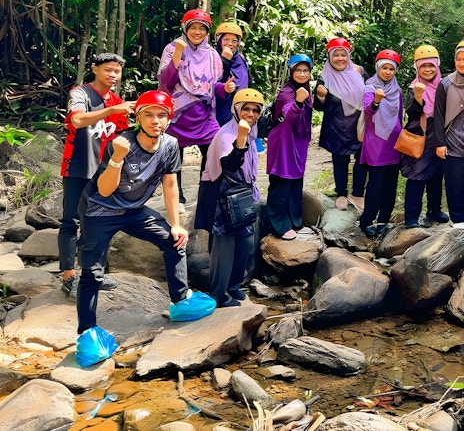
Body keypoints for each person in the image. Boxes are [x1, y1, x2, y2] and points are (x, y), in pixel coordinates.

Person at [76, 90, 212, 335]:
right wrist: (118, 157)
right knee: (92, 273)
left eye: (162, 115)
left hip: (133, 210)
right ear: (138, 117)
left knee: (174, 241)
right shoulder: (121, 143)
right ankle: (88, 331)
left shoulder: (170, 144)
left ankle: (180, 300)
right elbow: (105, 191)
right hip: (99, 210)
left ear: (170, 118)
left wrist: (176, 224)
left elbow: (170, 185)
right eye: (148, 115)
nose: (155, 121)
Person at [59, 53, 135, 299]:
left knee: (99, 222)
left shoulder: (117, 101)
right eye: (108, 70)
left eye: (117, 71)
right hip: (78, 167)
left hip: (104, 173)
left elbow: (123, 138)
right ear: (95, 69)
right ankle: (69, 277)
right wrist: (112, 109)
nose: (113, 75)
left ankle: (93, 273)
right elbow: (78, 120)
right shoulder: (80, 94)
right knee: (71, 221)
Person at [158, 9, 236, 211]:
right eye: (193, 27)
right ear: (185, 27)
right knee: (174, 159)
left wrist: (225, 89)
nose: (197, 32)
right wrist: (177, 54)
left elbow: (211, 86)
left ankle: (206, 194)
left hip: (204, 115)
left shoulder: (211, 54)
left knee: (212, 154)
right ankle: (178, 198)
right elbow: (167, 81)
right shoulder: (172, 48)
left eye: (202, 28)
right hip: (178, 113)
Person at [195, 88, 264, 308]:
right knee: (224, 246)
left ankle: (234, 286)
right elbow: (229, 164)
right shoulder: (228, 134)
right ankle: (218, 293)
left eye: (255, 110)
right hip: (221, 196)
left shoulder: (250, 133)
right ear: (236, 109)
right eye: (246, 109)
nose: (251, 114)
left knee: (244, 243)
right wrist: (241, 139)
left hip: (241, 195)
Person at [314, 37, 367, 213]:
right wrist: (321, 96)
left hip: (359, 124)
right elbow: (318, 107)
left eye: (343, 55)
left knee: (362, 159)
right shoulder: (324, 78)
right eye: (335, 55)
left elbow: (371, 89)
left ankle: (358, 193)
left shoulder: (358, 72)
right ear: (329, 57)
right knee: (340, 160)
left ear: (348, 55)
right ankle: (341, 194)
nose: (340, 59)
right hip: (336, 125)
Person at [266, 54, 313, 240]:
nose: (302, 74)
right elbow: (288, 115)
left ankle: (296, 222)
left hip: (299, 142)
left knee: (295, 182)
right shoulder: (287, 92)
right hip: (283, 142)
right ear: (291, 71)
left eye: (306, 70)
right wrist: (299, 102)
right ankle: (280, 225)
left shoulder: (306, 89)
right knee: (281, 181)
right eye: (298, 70)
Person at [401, 45, 448, 228]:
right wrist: (419, 98)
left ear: (436, 66)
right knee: (416, 178)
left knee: (436, 176)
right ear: (417, 68)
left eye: (431, 65)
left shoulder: (444, 86)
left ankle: (434, 210)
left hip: (439, 137)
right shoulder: (414, 87)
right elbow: (411, 113)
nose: (427, 69)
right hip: (419, 137)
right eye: (423, 66)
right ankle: (411, 216)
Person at [359, 49, 403, 238]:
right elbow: (368, 111)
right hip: (376, 141)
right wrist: (376, 101)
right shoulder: (369, 86)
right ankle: (367, 220)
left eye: (391, 69)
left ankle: (384, 219)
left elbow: (400, 115)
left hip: (394, 142)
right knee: (375, 184)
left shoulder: (398, 90)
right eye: (384, 68)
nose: (387, 72)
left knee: (391, 184)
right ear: (377, 68)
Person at [434, 40, 464, 229]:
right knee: (454, 184)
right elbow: (438, 115)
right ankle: (459, 219)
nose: (462, 63)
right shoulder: (445, 84)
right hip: (452, 142)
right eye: (458, 59)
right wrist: (439, 142)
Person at [215, 22, 251, 126]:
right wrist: (225, 60)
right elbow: (214, 83)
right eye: (226, 40)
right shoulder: (213, 57)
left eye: (234, 41)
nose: (230, 43)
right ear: (219, 40)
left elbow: (248, 81)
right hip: (221, 109)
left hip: (241, 107)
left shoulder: (241, 58)